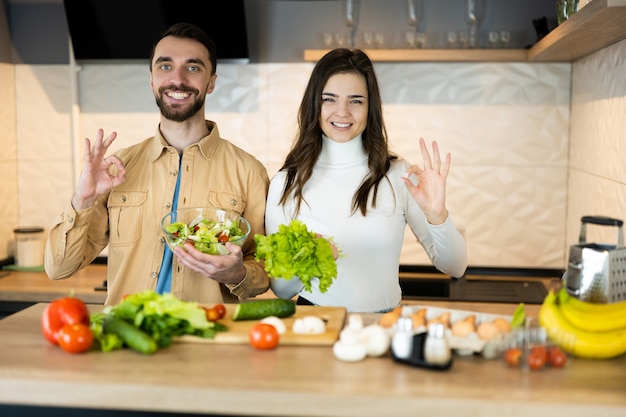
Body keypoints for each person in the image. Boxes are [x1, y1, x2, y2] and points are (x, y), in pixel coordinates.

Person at [45, 23, 270, 305]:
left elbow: (262, 274)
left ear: (211, 82)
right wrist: (83, 198)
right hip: (130, 336)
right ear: (151, 78)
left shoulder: (249, 172)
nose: (177, 79)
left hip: (207, 340)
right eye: (165, 66)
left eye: (193, 67)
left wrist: (237, 273)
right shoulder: (118, 167)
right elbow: (59, 268)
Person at [266, 48, 467, 313]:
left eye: (356, 101)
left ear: (370, 107)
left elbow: (455, 266)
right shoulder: (287, 182)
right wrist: (314, 257)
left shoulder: (398, 175)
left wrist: (437, 215)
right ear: (314, 103)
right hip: (316, 322)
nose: (342, 112)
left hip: (384, 326)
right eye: (329, 99)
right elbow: (281, 288)